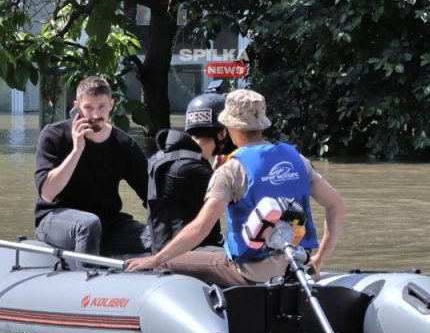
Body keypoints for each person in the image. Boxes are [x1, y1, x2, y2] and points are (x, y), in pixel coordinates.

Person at [126, 89, 348, 287]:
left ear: (229, 128)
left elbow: (200, 228)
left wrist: (156, 259)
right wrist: (319, 259)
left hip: (248, 271)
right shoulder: (297, 159)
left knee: (170, 259)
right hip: (292, 264)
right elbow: (337, 207)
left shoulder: (231, 170)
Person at [34, 76, 150, 256]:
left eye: (102, 107)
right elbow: (47, 194)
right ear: (77, 105)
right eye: (88, 108)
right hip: (55, 218)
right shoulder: (53, 135)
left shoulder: (125, 144)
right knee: (88, 224)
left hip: (107, 222)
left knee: (156, 236)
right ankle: (88, 279)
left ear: (112, 104)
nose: (95, 116)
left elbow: (150, 194)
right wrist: (76, 151)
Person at [146, 91, 230, 253]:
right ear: (222, 133)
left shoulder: (167, 157)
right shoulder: (191, 170)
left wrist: (215, 172)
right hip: (187, 254)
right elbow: (241, 198)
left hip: (166, 246)